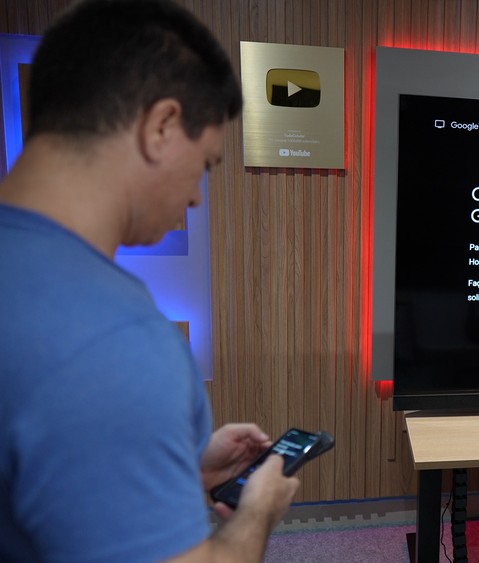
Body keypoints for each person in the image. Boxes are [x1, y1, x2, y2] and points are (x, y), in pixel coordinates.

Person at [0, 0, 300, 560]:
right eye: (205, 164)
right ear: (160, 126)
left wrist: (176, 469)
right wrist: (257, 515)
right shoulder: (115, 340)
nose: (196, 196)